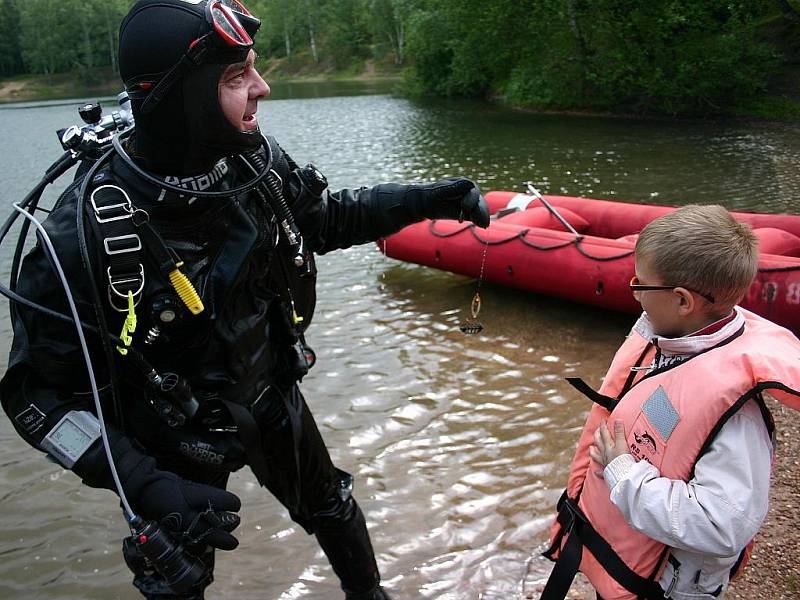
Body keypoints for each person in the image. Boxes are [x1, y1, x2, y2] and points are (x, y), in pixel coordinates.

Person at [0, 1, 490, 599]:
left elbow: (321, 221)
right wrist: (142, 482)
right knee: (177, 581)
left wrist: (429, 199)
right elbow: (36, 400)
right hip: (172, 441)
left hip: (270, 390)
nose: (262, 87)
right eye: (236, 78)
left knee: (332, 506)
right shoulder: (83, 236)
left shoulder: (249, 158)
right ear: (182, 97)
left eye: (253, 68)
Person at [540, 205, 800, 600]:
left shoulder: (736, 418)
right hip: (630, 558)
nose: (634, 293)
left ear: (682, 301)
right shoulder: (673, 343)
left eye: (640, 285)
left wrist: (623, 474)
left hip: (667, 588)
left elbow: (721, 526)